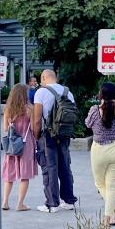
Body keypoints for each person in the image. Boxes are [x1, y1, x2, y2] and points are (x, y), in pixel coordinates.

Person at [32, 69, 78, 213]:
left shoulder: (41, 92)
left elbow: (37, 119)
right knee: (65, 166)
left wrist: (36, 135)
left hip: (48, 135)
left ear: (44, 77)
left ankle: (52, 203)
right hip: (64, 134)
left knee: (50, 167)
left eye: (41, 79)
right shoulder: (68, 92)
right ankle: (69, 200)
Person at [85, 82, 115, 226]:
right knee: (112, 185)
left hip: (99, 149)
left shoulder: (94, 110)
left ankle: (108, 218)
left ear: (100, 94)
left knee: (100, 184)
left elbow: (88, 124)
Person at [1, 84, 37, 211]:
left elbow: (5, 129)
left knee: (9, 175)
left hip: (12, 144)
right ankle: (20, 204)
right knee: (24, 175)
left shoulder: (8, 109)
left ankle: (5, 202)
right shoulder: (29, 109)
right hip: (26, 144)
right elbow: (32, 128)